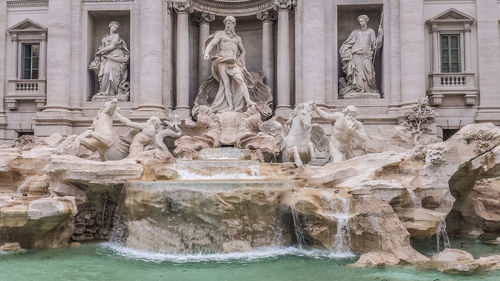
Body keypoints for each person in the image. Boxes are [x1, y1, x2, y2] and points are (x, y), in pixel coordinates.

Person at [203, 16, 256, 113]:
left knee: (240, 79)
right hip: (221, 59)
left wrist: (241, 57)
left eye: (230, 23)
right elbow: (211, 44)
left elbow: (243, 51)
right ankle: (230, 106)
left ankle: (248, 101)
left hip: (233, 61)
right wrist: (206, 53)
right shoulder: (220, 34)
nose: (228, 25)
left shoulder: (237, 38)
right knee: (226, 83)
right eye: (226, 23)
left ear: (234, 25)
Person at [339, 15, 383, 94]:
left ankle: (369, 88)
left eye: (362, 21)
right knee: (358, 73)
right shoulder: (355, 32)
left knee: (369, 73)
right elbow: (348, 43)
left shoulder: (371, 31)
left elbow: (375, 45)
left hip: (367, 55)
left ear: (366, 21)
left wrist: (380, 35)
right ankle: (358, 89)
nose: (361, 23)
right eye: (359, 21)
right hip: (356, 55)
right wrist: (344, 50)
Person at [90, 21, 130, 98]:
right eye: (114, 26)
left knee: (116, 76)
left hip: (117, 57)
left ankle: (113, 93)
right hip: (108, 57)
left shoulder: (116, 36)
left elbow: (112, 46)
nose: (115, 28)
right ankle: (103, 91)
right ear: (110, 26)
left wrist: (100, 51)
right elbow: (102, 47)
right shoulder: (105, 38)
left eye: (116, 27)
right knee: (106, 73)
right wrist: (100, 53)